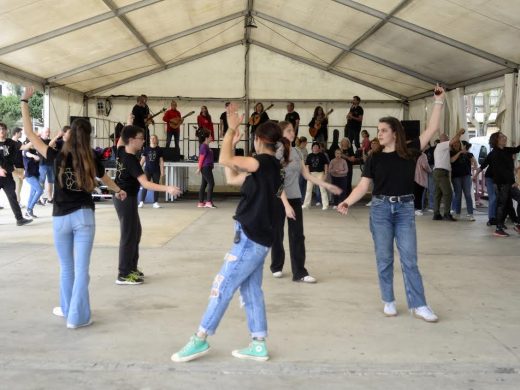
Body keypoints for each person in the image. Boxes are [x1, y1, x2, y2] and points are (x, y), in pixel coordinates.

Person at [171, 103, 288, 363]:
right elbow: (232, 177)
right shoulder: (271, 168)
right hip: (258, 238)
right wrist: (232, 142)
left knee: (222, 286)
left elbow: (224, 159)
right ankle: (258, 343)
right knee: (252, 291)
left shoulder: (263, 162)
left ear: (258, 140)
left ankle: (200, 338)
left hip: (250, 239)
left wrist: (230, 130)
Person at [337, 85, 446, 323]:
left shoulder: (410, 152)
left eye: (384, 130)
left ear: (395, 132)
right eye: (378, 130)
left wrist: (438, 101)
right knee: (384, 258)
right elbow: (363, 186)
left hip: (405, 209)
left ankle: (419, 305)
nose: (380, 134)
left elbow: (432, 128)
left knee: (409, 259)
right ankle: (389, 300)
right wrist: (346, 201)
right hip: (381, 210)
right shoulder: (374, 158)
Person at [21, 86, 127, 328]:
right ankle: (76, 316)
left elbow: (29, 132)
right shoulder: (91, 158)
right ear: (88, 136)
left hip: (60, 219)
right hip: (84, 217)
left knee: (67, 268)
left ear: (70, 134)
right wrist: (118, 190)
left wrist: (25, 100)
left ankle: (68, 308)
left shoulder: (56, 155)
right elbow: (106, 179)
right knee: (81, 270)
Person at [270, 121, 341, 283]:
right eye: (288, 131)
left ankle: (300, 272)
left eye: (292, 130)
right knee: (277, 233)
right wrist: (286, 205)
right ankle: (276, 266)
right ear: (280, 133)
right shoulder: (276, 153)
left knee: (297, 235)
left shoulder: (297, 152)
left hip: (295, 198)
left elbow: (307, 175)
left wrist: (325, 184)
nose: (292, 133)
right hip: (279, 199)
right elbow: (277, 182)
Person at [114, 125, 182, 285]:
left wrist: (129, 122)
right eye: (140, 138)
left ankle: (131, 267)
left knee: (136, 232)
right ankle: (123, 274)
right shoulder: (131, 161)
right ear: (131, 140)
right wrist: (168, 188)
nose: (143, 141)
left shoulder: (121, 151)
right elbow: (146, 184)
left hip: (124, 198)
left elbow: (119, 142)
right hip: (125, 198)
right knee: (129, 235)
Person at [474, 132, 520, 237]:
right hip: (501, 184)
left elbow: (517, 149)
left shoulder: (507, 150)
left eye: (505, 136)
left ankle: (517, 223)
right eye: (502, 137)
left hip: (509, 183)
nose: (505, 137)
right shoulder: (493, 154)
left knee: (507, 205)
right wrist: (475, 175)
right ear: (496, 140)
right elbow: (484, 166)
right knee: (502, 205)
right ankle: (499, 228)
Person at [0, 122, 32, 226]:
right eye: (0, 129)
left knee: (12, 196)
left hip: (7, 176)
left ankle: (19, 219)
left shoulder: (11, 142)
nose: (1, 131)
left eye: (3, 129)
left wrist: (35, 139)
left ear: (6, 130)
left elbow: (25, 147)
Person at [432, 129, 464, 221]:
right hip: (441, 173)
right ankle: (446, 214)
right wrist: (459, 133)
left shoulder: (442, 148)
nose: (450, 140)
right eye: (448, 138)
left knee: (438, 194)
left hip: (438, 172)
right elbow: (454, 140)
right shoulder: (442, 145)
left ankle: (436, 214)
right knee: (448, 193)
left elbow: (451, 160)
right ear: (444, 139)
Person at [450, 140, 477, 221]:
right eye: (455, 143)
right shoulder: (451, 153)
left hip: (466, 176)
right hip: (456, 176)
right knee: (458, 195)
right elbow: (452, 160)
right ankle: (457, 213)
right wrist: (460, 152)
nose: (456, 145)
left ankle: (470, 214)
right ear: (452, 145)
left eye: (458, 143)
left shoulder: (468, 154)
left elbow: (475, 163)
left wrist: (474, 164)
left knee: (468, 195)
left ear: (461, 145)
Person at [138, 134, 164, 209]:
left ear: (156, 140)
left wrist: (162, 171)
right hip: (147, 170)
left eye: (154, 138)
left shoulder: (159, 149)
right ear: (149, 140)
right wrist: (138, 169)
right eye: (151, 138)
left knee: (156, 186)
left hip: (156, 170)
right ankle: (141, 202)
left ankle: (155, 202)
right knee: (145, 185)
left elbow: (161, 161)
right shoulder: (146, 149)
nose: (152, 140)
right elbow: (142, 160)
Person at [302, 142, 329, 210]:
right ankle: (306, 204)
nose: (315, 148)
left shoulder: (322, 155)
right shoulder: (309, 155)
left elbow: (326, 165)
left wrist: (326, 174)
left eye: (317, 147)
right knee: (308, 189)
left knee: (322, 189)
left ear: (319, 148)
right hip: (311, 174)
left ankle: (325, 205)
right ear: (312, 148)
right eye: (314, 147)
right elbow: (307, 165)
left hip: (320, 173)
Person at [196, 128, 216, 208]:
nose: (211, 137)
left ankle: (201, 202)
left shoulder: (205, 146)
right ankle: (208, 202)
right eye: (210, 135)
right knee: (211, 183)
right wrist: (199, 168)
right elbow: (201, 158)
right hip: (205, 168)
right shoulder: (204, 146)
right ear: (206, 137)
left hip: (207, 167)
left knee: (204, 184)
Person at [22, 145, 43, 219]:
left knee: (32, 193)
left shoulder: (35, 150)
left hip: (36, 174)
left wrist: (37, 157)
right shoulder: (25, 150)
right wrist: (34, 156)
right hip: (29, 176)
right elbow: (27, 154)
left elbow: (39, 158)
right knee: (40, 190)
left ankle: (28, 212)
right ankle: (29, 209)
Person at [11, 127, 26, 205]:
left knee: (20, 185)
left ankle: (17, 201)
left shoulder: (19, 142)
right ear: (16, 133)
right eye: (20, 133)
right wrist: (13, 168)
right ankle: (17, 202)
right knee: (17, 184)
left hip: (21, 167)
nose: (21, 134)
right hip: (14, 168)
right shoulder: (10, 143)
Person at [413, 151, 431, 216]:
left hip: (412, 177)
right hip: (420, 178)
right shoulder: (422, 155)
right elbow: (425, 165)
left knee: (414, 195)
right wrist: (430, 170)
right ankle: (418, 209)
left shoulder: (412, 154)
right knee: (419, 195)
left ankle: (414, 209)